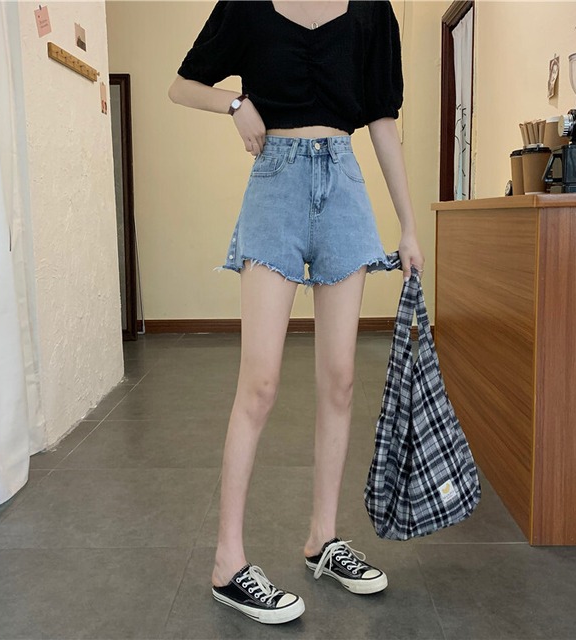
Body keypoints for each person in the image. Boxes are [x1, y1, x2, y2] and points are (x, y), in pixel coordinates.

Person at [168, 0, 424, 625]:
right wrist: (235, 103)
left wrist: (409, 226)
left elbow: (382, 120)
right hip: (275, 186)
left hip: (344, 187)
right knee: (258, 383)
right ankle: (227, 562)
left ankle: (322, 540)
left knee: (340, 380)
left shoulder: (372, 11)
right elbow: (181, 85)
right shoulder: (248, 5)